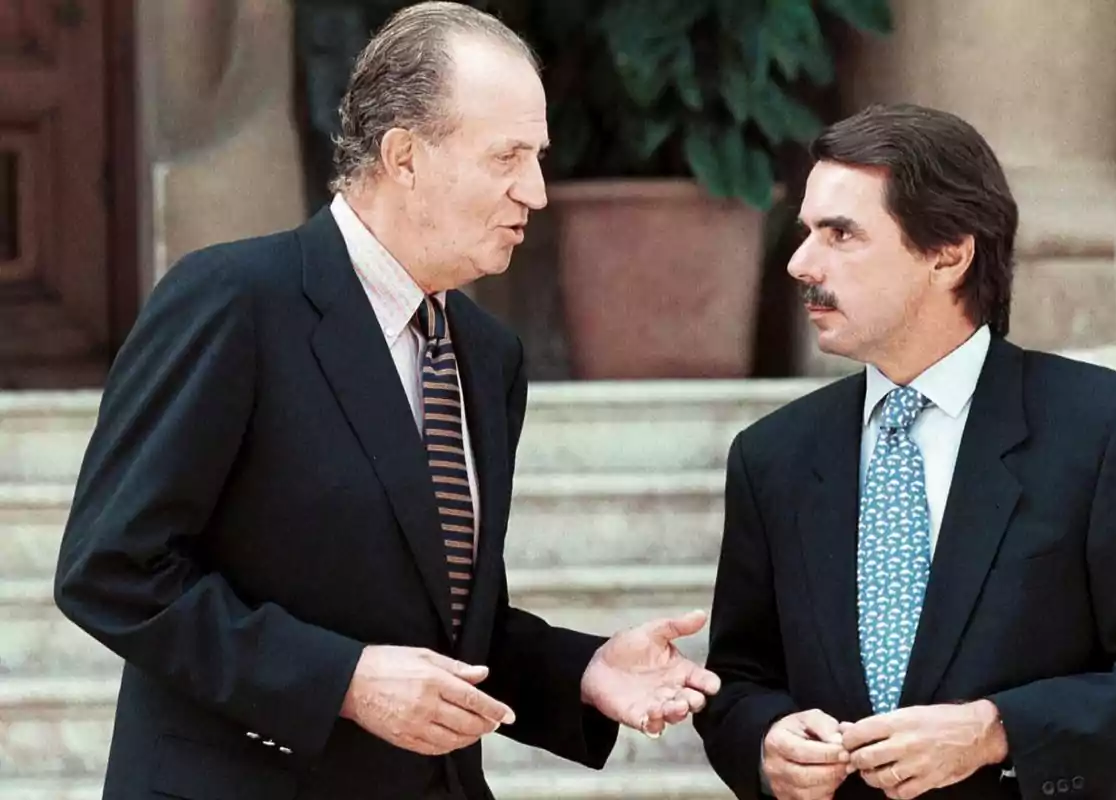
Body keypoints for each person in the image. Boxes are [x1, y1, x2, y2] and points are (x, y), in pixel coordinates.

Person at [53, 4, 719, 799]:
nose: (536, 192)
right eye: (507, 156)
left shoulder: (485, 354)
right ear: (404, 156)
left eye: (537, 156)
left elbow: (441, 625)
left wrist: (585, 669)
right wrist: (341, 681)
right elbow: (112, 569)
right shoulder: (233, 301)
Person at [692, 102, 1116, 800]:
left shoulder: (1111, 429)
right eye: (807, 230)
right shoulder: (772, 454)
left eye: (840, 234)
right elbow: (740, 681)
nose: (800, 262)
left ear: (949, 252)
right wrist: (765, 742)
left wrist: (998, 731)